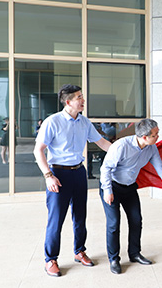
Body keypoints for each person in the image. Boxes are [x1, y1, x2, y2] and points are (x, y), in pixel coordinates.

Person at [33, 84, 112, 277]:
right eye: (79, 97)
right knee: (56, 219)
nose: (83, 100)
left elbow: (102, 143)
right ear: (68, 102)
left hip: (78, 173)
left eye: (82, 96)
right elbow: (38, 150)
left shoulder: (85, 122)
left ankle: (79, 251)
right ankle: (50, 259)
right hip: (58, 174)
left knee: (80, 216)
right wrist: (48, 175)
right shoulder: (53, 122)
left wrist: (124, 152)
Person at [100, 118, 162, 274]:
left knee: (136, 220)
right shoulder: (121, 146)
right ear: (144, 137)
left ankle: (134, 253)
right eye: (155, 134)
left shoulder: (151, 148)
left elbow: (160, 167)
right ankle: (114, 259)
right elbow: (106, 168)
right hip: (112, 186)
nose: (158, 136)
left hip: (130, 187)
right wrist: (107, 190)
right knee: (113, 224)